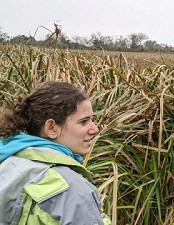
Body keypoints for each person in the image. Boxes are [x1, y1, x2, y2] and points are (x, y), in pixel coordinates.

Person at [0, 81, 111, 224]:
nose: (95, 129)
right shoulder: (71, 190)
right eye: (84, 122)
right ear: (52, 128)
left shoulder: (8, 160)